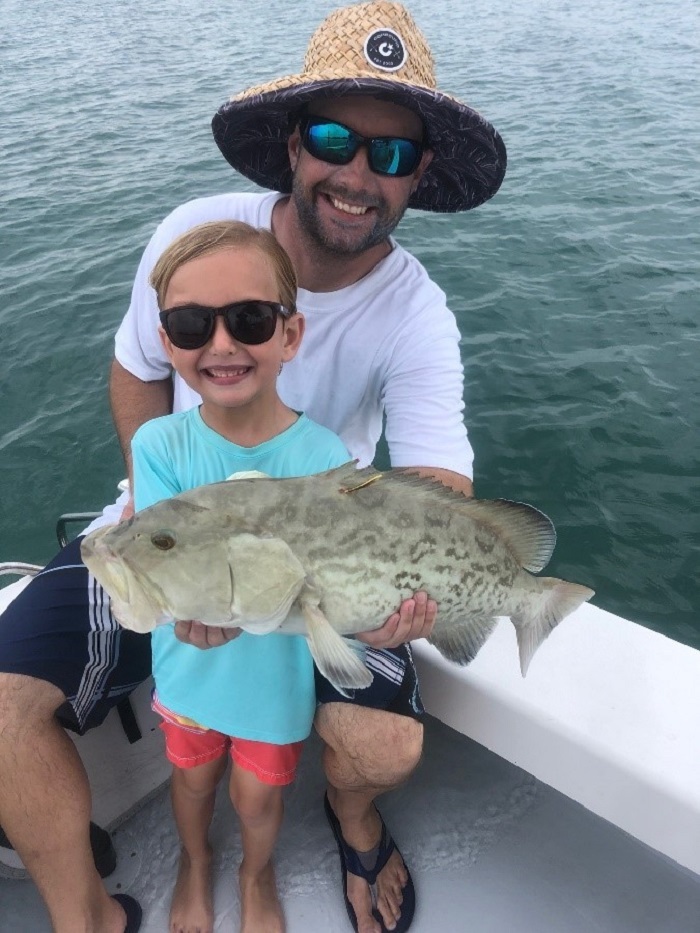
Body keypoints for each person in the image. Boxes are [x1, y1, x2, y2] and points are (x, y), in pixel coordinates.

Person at [0, 3, 506, 933]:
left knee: (384, 744)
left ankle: (351, 820)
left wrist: (411, 590)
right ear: (292, 144)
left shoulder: (418, 313)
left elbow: (444, 487)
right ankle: (88, 920)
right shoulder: (199, 236)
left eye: (390, 154)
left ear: (417, 175)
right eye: (333, 138)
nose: (357, 174)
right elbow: (134, 370)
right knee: (0, 708)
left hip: (322, 553)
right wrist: (164, 522)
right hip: (170, 525)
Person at [134, 219, 351, 933]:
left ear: (291, 334)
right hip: (189, 670)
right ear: (168, 344)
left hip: (274, 679)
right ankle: (195, 863)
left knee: (259, 797)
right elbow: (157, 563)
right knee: (192, 779)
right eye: (191, 324)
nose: (221, 344)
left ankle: (255, 874)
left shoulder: (324, 453)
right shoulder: (158, 441)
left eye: (250, 319)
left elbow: (331, 580)